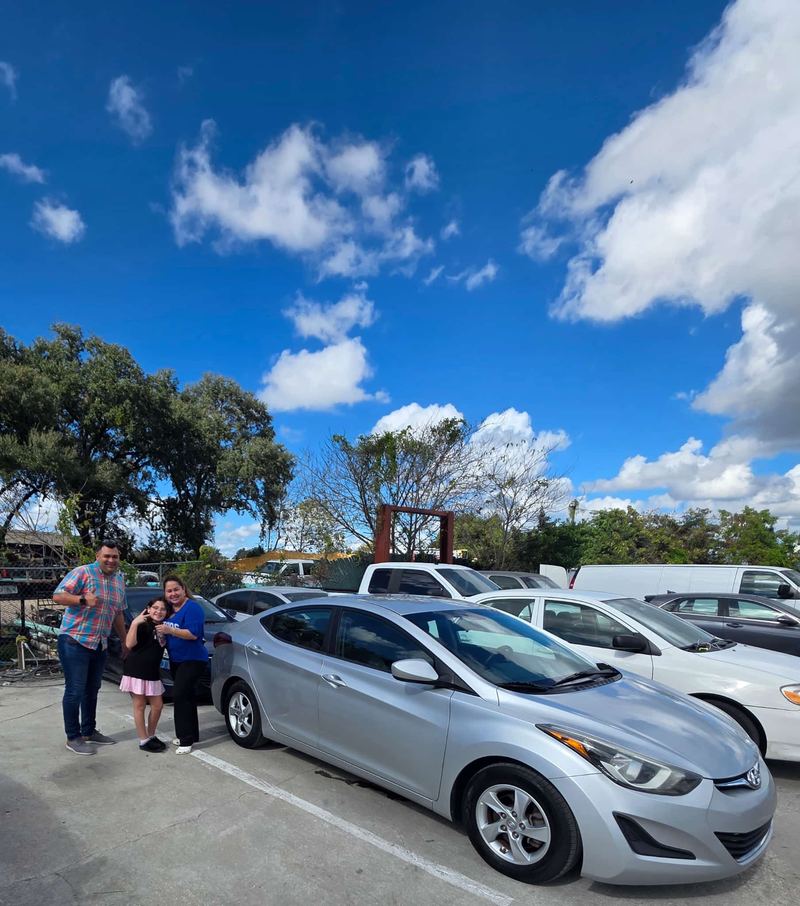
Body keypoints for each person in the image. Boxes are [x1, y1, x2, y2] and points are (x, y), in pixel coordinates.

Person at [53, 540, 128, 755]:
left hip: (99, 643)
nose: (111, 560)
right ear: (98, 556)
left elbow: (118, 613)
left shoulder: (119, 581)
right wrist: (82, 599)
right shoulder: (83, 572)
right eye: (107, 556)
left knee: (92, 689)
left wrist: (124, 640)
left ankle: (88, 731)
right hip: (75, 640)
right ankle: (73, 737)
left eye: (115, 557)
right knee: (75, 689)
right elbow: (58, 595)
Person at [157, 574, 208, 754]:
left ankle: (185, 739)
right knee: (187, 697)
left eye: (176, 589)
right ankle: (192, 734)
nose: (173, 594)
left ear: (184, 589)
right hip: (176, 659)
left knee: (179, 696)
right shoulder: (170, 610)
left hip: (193, 659)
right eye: (169, 591)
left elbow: (193, 634)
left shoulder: (192, 608)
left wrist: (170, 630)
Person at [121, 598, 173, 752]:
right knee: (140, 705)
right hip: (136, 670)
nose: (158, 611)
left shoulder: (163, 627)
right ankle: (143, 740)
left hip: (152, 672)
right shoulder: (142, 624)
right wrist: (135, 623)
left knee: (157, 705)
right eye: (155, 608)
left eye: (162, 609)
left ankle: (151, 735)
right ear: (148, 609)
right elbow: (129, 644)